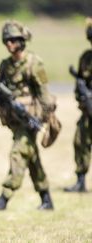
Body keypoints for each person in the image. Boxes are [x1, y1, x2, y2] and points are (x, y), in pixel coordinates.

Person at [0, 20, 56, 211]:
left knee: (18, 153)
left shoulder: (33, 63)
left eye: (13, 40)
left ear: (22, 41)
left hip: (30, 120)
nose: (9, 44)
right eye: (6, 40)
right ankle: (46, 199)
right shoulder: (5, 65)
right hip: (15, 120)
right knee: (31, 158)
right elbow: (0, 89)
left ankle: (4, 197)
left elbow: (44, 95)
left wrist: (44, 119)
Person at [64, 18, 92, 193]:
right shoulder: (86, 57)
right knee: (80, 142)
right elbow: (80, 81)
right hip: (88, 111)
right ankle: (80, 180)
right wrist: (82, 95)